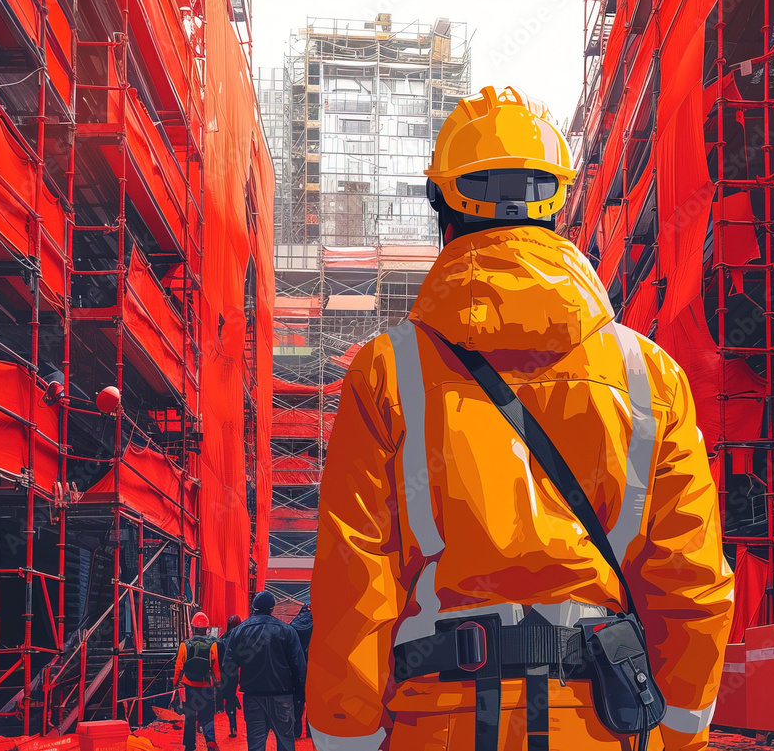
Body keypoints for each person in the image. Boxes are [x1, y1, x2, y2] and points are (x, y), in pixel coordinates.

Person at [306, 86, 734, 751]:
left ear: (441, 207)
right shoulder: (649, 374)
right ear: (556, 207)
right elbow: (692, 584)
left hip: (438, 724)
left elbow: (355, 584)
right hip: (604, 724)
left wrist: (346, 738)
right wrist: (677, 733)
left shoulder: (389, 372)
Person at [222, 591, 307, 751]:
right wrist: (298, 697)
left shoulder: (238, 632)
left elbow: (229, 667)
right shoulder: (287, 631)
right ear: (272, 608)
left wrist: (230, 696)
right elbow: (299, 667)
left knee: (255, 745)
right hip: (282, 696)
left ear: (254, 607)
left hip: (253, 697)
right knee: (286, 743)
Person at [173, 611, 220, 751]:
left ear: (193, 628)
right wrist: (217, 682)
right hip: (206, 687)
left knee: (190, 716)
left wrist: (176, 683)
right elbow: (215, 666)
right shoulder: (213, 644)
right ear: (206, 628)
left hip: (189, 687)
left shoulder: (185, 645)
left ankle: (189, 745)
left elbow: (178, 667)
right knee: (207, 716)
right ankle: (210, 742)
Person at [216, 613, 243, 737]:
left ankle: (232, 724)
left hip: (223, 673)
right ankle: (233, 725)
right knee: (230, 697)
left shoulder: (222, 639)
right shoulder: (241, 639)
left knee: (227, 697)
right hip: (233, 674)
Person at [288, 604, 313, 739]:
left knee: (297, 701)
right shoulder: (317, 624)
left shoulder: (293, 625)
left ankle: (296, 731)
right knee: (313, 703)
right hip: (313, 667)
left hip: (297, 667)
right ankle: (311, 732)